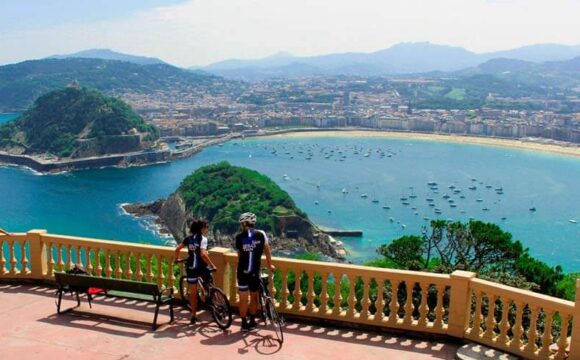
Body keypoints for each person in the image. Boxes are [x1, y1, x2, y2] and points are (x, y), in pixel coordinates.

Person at [235, 212, 275, 331]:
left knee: (243, 298)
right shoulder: (261, 234)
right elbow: (267, 251)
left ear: (243, 223)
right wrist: (269, 265)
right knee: (253, 297)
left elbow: (239, 255)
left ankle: (243, 323)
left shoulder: (239, 237)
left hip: (242, 271)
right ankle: (252, 320)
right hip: (254, 272)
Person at [174, 218, 216, 324]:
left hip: (191, 268)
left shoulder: (188, 239)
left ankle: (193, 315)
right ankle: (215, 307)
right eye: (206, 227)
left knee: (193, 293)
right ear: (202, 228)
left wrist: (177, 259)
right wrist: (212, 265)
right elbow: (203, 254)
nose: (207, 229)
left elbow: (177, 249)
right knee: (210, 286)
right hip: (201, 267)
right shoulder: (203, 239)